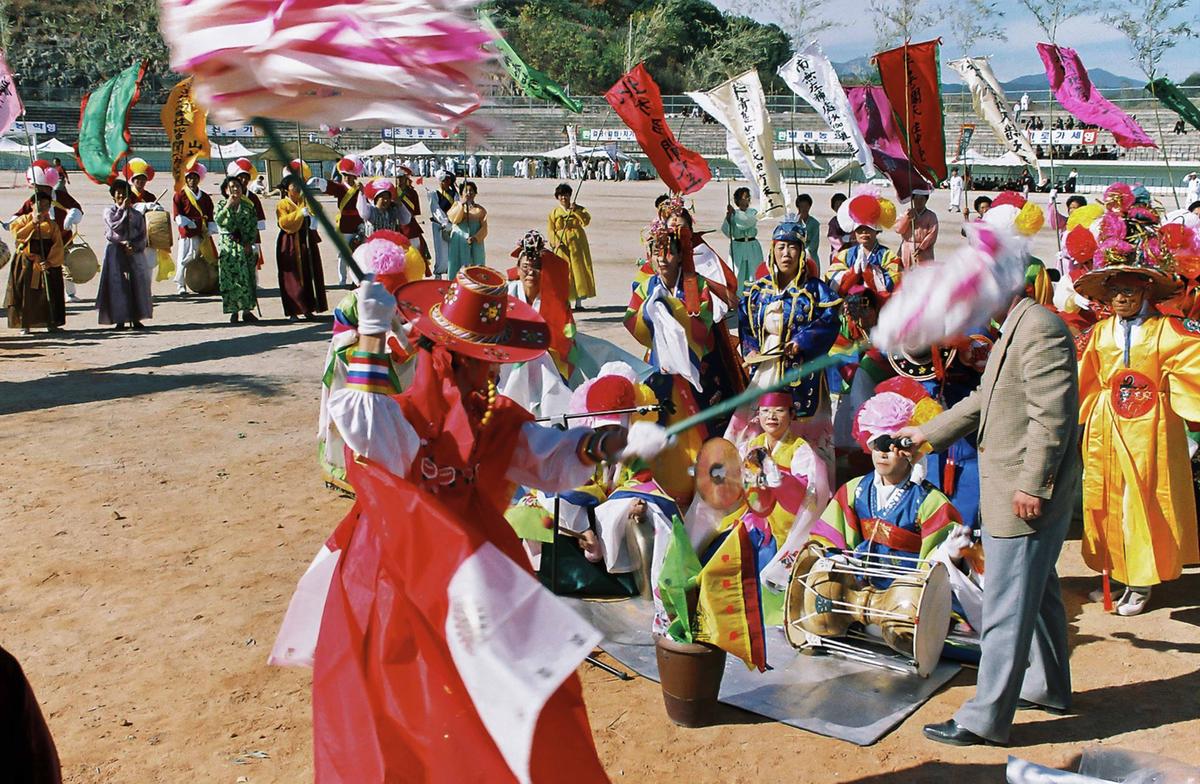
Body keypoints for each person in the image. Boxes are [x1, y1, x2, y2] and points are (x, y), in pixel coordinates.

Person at [273, 266, 656, 784]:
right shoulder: (406, 413)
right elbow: (366, 431)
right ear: (450, 356)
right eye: (482, 359)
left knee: (492, 697)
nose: (492, 371)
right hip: (397, 575)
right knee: (404, 702)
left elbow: (543, 454)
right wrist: (370, 334)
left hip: (469, 571)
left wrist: (605, 442)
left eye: (495, 357)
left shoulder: (491, 416)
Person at [900, 290, 1080, 746]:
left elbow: (1052, 418)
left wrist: (1033, 484)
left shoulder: (1039, 329)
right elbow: (986, 398)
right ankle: (1047, 685)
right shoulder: (1016, 327)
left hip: (1023, 491)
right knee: (1037, 592)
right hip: (1017, 487)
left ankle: (985, 718)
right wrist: (926, 434)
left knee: (1005, 604)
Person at [1075, 260, 1200, 616]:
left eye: (1128, 291)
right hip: (1106, 425)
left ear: (1146, 292)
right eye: (1114, 292)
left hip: (1152, 429)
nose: (1120, 299)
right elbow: (1079, 373)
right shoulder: (1099, 333)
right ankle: (1120, 572)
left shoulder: (1169, 330)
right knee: (1108, 497)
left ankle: (1142, 580)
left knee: (1140, 500)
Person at [811, 381, 958, 570]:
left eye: (891, 447)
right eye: (876, 445)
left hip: (909, 582)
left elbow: (938, 558)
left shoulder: (931, 501)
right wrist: (836, 557)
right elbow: (828, 537)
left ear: (910, 450)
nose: (882, 454)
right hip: (860, 578)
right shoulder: (853, 490)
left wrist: (948, 554)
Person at [318, 232, 424, 492]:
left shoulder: (402, 300)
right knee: (353, 418)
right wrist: (373, 342)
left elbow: (411, 331)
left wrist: (405, 339)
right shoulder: (351, 303)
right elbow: (341, 340)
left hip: (394, 367)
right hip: (355, 372)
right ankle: (346, 470)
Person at [739, 219, 842, 475]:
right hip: (765, 365)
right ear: (772, 251)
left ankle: (809, 481)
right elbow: (746, 325)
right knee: (757, 420)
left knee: (805, 427)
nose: (786, 254)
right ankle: (755, 475)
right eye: (781, 247)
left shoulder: (816, 291)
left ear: (802, 252)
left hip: (802, 369)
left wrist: (801, 342)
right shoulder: (758, 290)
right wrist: (750, 349)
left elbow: (829, 323)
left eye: (793, 247)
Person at [497, 230, 577, 418]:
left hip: (546, 357)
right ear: (517, 269)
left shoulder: (553, 299)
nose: (530, 272)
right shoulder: (506, 294)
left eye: (537, 267)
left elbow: (565, 333)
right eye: (525, 267)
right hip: (509, 357)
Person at [6, 190, 65, 334]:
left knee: (49, 292)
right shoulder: (22, 220)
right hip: (26, 262)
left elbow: (58, 245)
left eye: (47, 205)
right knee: (25, 293)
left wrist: (50, 262)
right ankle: (24, 324)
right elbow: (18, 236)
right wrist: (33, 223)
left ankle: (51, 322)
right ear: (32, 204)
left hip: (46, 261)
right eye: (40, 204)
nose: (43, 208)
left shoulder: (52, 225)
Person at [96, 179, 151, 330]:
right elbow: (115, 226)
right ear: (113, 196)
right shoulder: (109, 211)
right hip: (115, 251)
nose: (121, 195)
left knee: (136, 284)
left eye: (124, 193)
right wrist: (122, 210)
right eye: (118, 193)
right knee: (117, 284)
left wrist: (135, 246)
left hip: (133, 252)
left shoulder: (137, 215)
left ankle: (136, 317)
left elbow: (142, 234)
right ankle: (119, 319)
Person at [827, 189, 902, 300]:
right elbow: (830, 279)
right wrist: (852, 272)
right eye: (859, 229)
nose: (864, 232)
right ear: (854, 232)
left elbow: (896, 280)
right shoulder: (845, 255)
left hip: (877, 306)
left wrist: (870, 271)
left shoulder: (888, 256)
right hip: (849, 305)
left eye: (868, 229)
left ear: (876, 231)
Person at [275, 174, 327, 321]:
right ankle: (293, 310)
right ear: (287, 189)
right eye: (294, 185)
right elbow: (283, 222)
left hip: (306, 239)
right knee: (292, 276)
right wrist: (298, 213)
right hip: (290, 241)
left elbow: (318, 209)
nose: (297, 188)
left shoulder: (304, 200)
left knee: (308, 272)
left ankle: (308, 308)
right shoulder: (282, 204)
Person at [312, 156, 364, 286]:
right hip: (344, 224)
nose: (347, 178)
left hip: (358, 223)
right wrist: (318, 181)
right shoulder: (340, 187)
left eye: (349, 176)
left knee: (358, 253)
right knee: (343, 254)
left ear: (355, 176)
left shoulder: (359, 189)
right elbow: (330, 186)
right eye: (345, 175)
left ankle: (356, 279)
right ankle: (342, 279)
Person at [215, 176, 260, 324]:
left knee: (247, 277)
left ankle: (247, 310)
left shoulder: (248, 206)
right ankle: (233, 310)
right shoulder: (221, 205)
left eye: (238, 186)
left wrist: (249, 242)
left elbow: (253, 226)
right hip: (228, 246)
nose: (235, 189)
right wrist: (228, 206)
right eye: (232, 186)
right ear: (225, 190)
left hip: (244, 245)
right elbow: (219, 220)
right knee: (230, 279)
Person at [125, 157, 171, 286]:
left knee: (149, 263)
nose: (140, 182)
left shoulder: (150, 196)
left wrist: (157, 208)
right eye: (138, 179)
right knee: (133, 263)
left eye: (143, 179)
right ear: (133, 180)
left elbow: (159, 213)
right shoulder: (127, 195)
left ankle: (146, 289)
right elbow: (126, 211)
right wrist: (142, 206)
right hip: (133, 234)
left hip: (148, 235)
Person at [172, 163, 216, 296]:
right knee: (184, 258)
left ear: (199, 179)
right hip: (188, 233)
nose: (192, 180)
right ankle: (181, 284)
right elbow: (177, 215)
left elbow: (210, 214)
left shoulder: (205, 197)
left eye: (195, 177)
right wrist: (187, 223)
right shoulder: (180, 195)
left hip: (202, 232)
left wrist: (210, 228)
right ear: (186, 179)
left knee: (205, 258)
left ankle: (204, 282)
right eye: (190, 178)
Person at [548, 183, 595, 310]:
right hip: (562, 244)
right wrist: (555, 242)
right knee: (565, 271)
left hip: (577, 243)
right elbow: (551, 230)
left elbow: (586, 221)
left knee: (579, 270)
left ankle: (579, 302)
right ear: (557, 197)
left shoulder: (578, 208)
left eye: (566, 195)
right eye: (561, 195)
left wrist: (576, 211)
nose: (564, 198)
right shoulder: (554, 213)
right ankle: (566, 300)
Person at [722, 187, 762, 291]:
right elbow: (727, 231)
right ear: (738, 200)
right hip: (738, 246)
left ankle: (753, 294)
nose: (747, 200)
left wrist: (734, 214)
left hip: (752, 245)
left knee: (753, 271)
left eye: (748, 197)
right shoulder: (733, 213)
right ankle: (738, 295)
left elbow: (745, 222)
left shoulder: (752, 212)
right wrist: (728, 219)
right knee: (738, 272)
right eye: (744, 197)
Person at [447, 179, 487, 276]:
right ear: (461, 194)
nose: (469, 193)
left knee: (475, 264)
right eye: (466, 191)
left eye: (471, 190)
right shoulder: (456, 206)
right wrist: (462, 204)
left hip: (475, 242)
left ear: (475, 193)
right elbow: (454, 219)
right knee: (456, 263)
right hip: (458, 240)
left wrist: (475, 237)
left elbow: (484, 228)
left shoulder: (480, 210)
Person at [896, 188, 939, 268]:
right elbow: (899, 230)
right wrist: (907, 218)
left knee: (923, 272)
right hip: (907, 247)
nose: (918, 201)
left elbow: (932, 234)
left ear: (926, 200)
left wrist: (922, 247)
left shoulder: (931, 216)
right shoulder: (907, 213)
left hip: (924, 249)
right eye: (916, 199)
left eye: (921, 199)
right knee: (906, 271)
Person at [428, 170, 457, 278]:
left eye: (447, 180)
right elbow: (435, 209)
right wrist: (444, 222)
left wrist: (452, 222)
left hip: (453, 224)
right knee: (440, 250)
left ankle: (451, 271)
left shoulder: (454, 194)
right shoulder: (434, 194)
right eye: (444, 180)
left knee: (452, 250)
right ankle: (438, 273)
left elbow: (457, 208)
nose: (445, 182)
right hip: (439, 225)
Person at [794, 193, 822, 263]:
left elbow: (815, 241)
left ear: (810, 207)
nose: (804, 208)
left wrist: (807, 251)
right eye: (802, 206)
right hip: (796, 253)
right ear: (798, 207)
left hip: (810, 255)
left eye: (806, 206)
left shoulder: (814, 223)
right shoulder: (793, 222)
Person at [826, 193, 851, 268]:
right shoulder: (833, 222)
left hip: (852, 251)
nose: (839, 207)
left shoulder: (852, 220)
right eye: (837, 205)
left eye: (841, 204)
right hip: (838, 253)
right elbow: (832, 237)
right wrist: (845, 239)